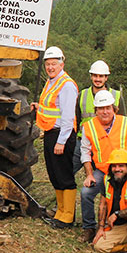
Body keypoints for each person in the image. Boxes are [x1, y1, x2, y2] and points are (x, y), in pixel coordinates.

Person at [78, 90, 127, 243]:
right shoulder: (89, 126)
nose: (104, 112)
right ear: (96, 110)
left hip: (124, 172)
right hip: (103, 171)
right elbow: (85, 151)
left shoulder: (126, 123)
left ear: (114, 108)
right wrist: (89, 174)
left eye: (108, 108)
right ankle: (89, 228)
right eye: (101, 108)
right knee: (86, 193)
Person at [30, 46, 78, 229]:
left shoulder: (66, 84)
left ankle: (67, 217)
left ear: (62, 64)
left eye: (54, 64)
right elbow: (52, 109)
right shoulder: (51, 82)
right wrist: (38, 108)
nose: (50, 67)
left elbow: (67, 117)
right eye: (48, 64)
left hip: (61, 135)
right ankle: (60, 212)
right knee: (54, 175)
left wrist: (61, 142)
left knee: (64, 176)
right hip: (51, 133)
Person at [73, 60, 124, 174]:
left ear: (106, 78)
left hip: (107, 143)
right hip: (83, 141)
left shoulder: (116, 96)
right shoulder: (82, 95)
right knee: (67, 173)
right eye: (95, 76)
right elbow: (76, 120)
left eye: (101, 76)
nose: (98, 79)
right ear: (91, 76)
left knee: (105, 175)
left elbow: (122, 123)